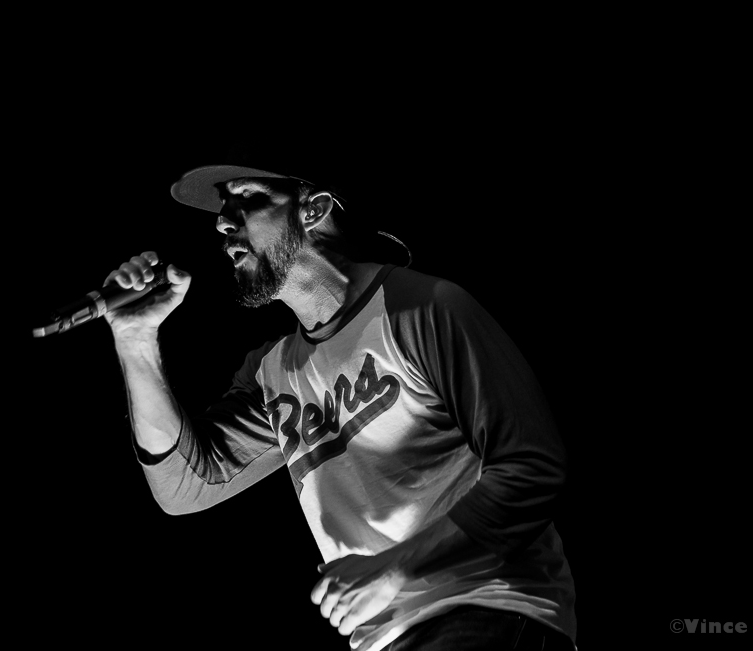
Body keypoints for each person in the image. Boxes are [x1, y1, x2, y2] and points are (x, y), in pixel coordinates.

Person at [102, 151, 577, 650]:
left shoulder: (420, 309)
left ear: (315, 208)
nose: (223, 221)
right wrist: (135, 340)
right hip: (390, 637)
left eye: (247, 198)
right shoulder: (275, 372)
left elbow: (533, 466)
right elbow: (185, 486)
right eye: (224, 204)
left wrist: (397, 569)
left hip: (490, 606)